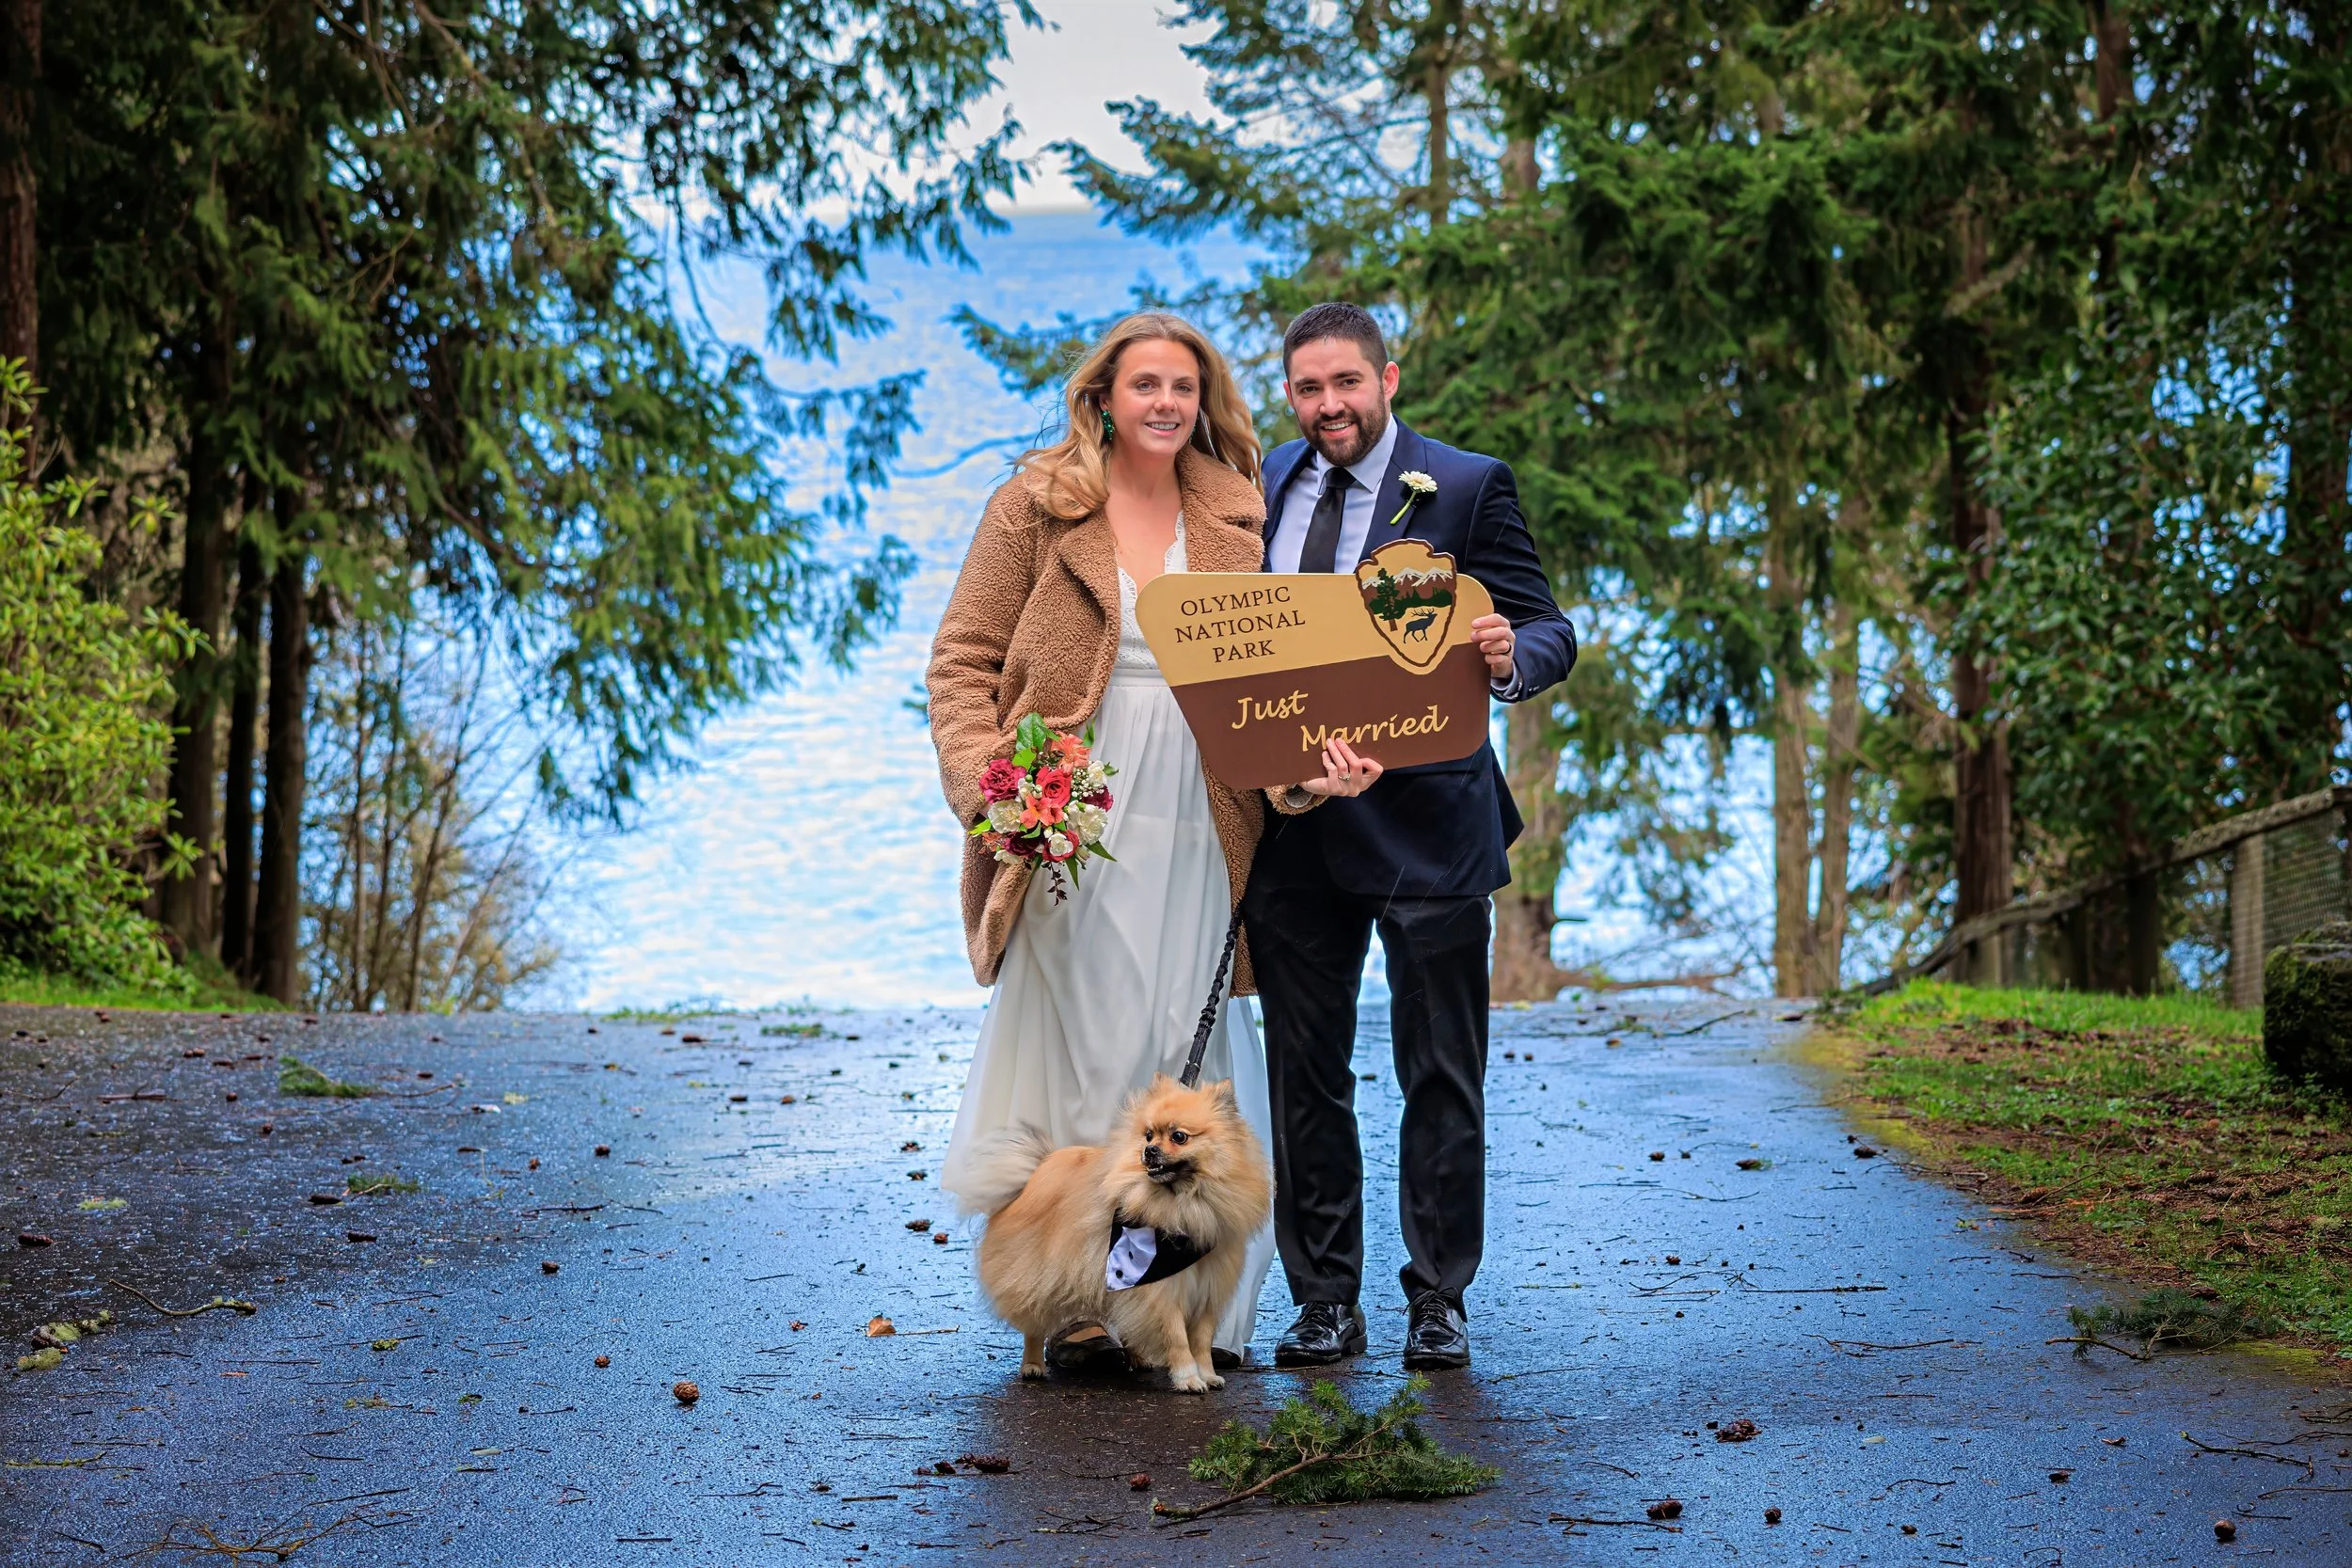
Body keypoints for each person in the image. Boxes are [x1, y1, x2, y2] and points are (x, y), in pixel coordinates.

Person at [927, 311, 1382, 1370]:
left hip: (1202, 805)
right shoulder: (1033, 505)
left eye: (1184, 385)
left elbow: (1280, 674)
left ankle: (1177, 1312)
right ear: (1102, 397)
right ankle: (1086, 1301)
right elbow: (960, 660)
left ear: (1203, 397)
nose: (1166, 403)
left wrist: (1310, 774)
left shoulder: (1239, 508)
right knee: (1087, 1043)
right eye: (1146, 386)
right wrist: (997, 787)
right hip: (1073, 810)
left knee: (1178, 1036)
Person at [1246, 302, 1578, 1372]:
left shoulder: (1467, 484)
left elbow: (1547, 627)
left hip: (1433, 820)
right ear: (1288, 395)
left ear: (1388, 379)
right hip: (1295, 825)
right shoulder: (1259, 486)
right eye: (1308, 388)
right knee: (1307, 1068)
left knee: (1440, 1069)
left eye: (1346, 382)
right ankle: (1322, 1301)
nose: (1329, 406)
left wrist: (1504, 653)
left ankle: (1438, 1294)